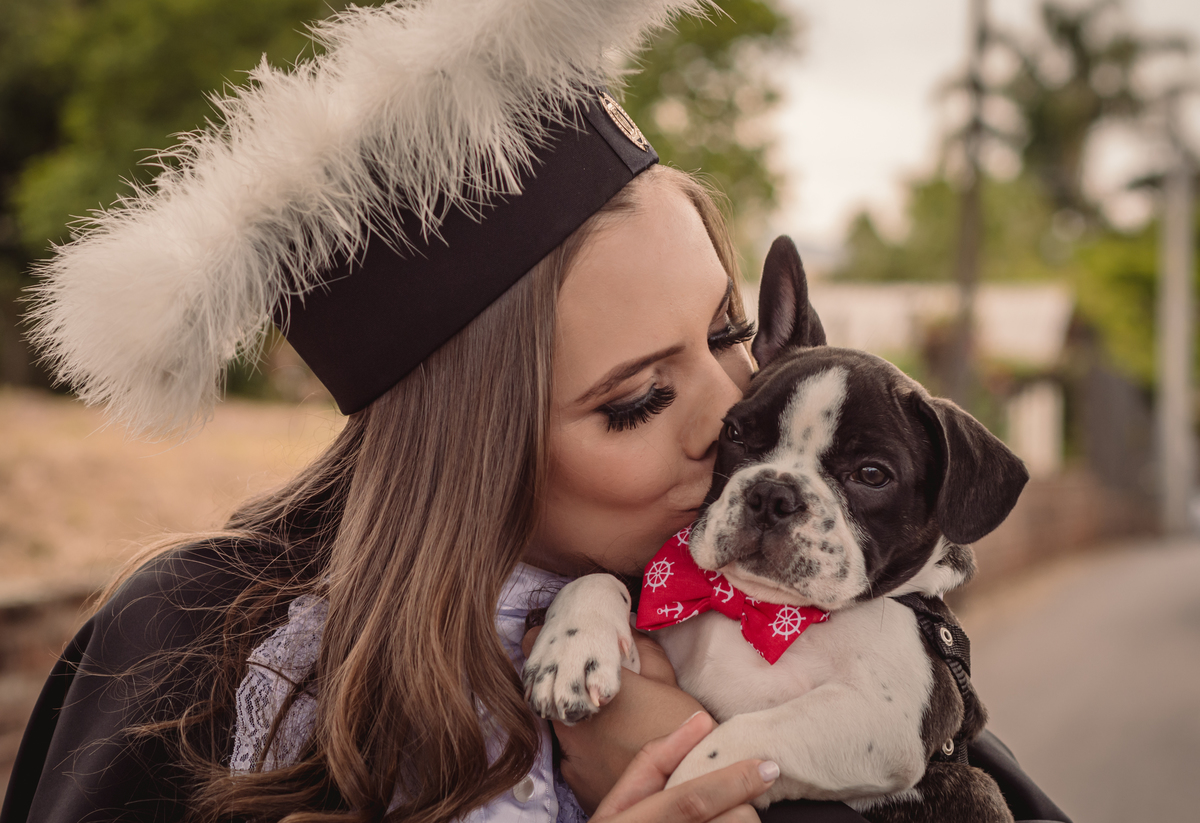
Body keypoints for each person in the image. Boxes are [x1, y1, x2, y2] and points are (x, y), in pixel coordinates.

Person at [0, 1, 1072, 822]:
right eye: (637, 400)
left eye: (728, 330)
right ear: (468, 453)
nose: (728, 412)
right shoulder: (207, 653)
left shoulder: (856, 636)